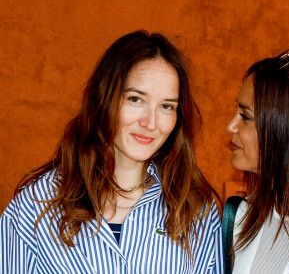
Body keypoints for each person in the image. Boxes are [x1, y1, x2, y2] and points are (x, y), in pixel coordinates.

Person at [0, 30, 223, 273]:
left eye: (166, 106)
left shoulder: (196, 210)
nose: (151, 123)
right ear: (104, 98)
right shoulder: (37, 205)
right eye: (135, 99)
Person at [226, 50, 289, 274]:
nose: (231, 126)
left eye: (245, 116)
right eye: (236, 111)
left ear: (285, 130)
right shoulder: (241, 217)